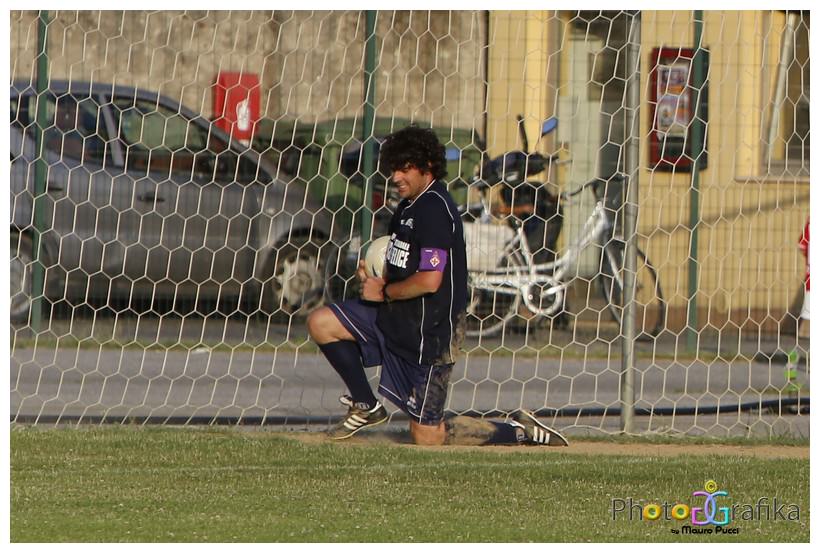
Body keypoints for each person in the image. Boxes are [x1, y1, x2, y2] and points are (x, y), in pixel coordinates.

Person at [307, 125, 568, 446]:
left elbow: (430, 281)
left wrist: (383, 291)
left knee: (428, 436)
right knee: (322, 322)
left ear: (427, 166)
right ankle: (366, 405)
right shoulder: (407, 206)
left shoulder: (434, 209)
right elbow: (405, 264)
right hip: (396, 316)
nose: (396, 177)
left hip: (430, 334)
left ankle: (518, 431)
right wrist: (377, 276)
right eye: (393, 169)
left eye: (405, 169)